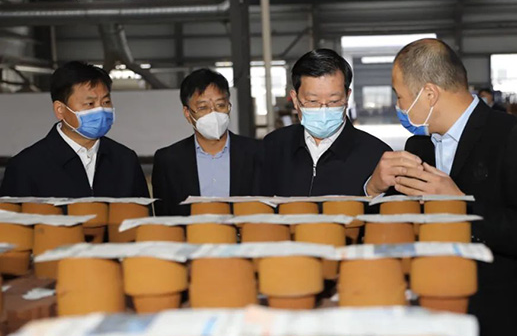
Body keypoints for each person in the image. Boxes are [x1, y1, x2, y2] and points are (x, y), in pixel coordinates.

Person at [367, 39, 517, 336]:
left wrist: (462, 205)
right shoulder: (419, 146)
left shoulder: (515, 136)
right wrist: (374, 187)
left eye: (400, 96)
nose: (398, 107)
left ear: (429, 94)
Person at [0, 61, 148, 198]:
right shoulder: (25, 166)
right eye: (90, 104)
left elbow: (143, 215)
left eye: (106, 101)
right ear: (60, 110)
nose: (101, 110)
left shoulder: (126, 160)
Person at [259, 49, 390, 196]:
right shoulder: (273, 147)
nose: (323, 110)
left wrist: (371, 192)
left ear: (347, 97)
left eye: (334, 101)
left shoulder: (377, 156)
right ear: (295, 100)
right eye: (313, 101)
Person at [152, 69, 261, 216]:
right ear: (187, 113)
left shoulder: (257, 153)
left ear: (229, 106)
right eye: (203, 107)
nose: (213, 113)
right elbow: (164, 217)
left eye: (220, 105)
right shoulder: (168, 160)